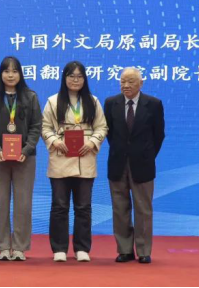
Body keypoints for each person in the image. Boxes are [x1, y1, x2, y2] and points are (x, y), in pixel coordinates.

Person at [41, 61, 108, 262]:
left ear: (85, 79)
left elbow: (102, 127)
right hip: (61, 157)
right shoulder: (53, 101)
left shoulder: (93, 101)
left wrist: (92, 142)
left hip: (84, 156)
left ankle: (82, 248)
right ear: (64, 78)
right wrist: (55, 141)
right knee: (59, 206)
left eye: (80, 76)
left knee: (83, 207)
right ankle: (59, 248)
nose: (75, 80)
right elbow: (45, 128)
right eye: (71, 76)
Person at [0, 56, 42, 261]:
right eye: (6, 71)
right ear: (1, 74)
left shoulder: (30, 97)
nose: (10, 75)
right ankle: (3, 247)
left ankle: (20, 247)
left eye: (15, 71)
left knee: (23, 203)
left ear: (20, 74)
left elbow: (36, 126)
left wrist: (27, 149)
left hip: (25, 158)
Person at [105, 67, 165, 264]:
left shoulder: (153, 104)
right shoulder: (111, 103)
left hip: (143, 164)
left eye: (131, 81)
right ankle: (124, 249)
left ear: (141, 83)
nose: (126, 85)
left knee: (143, 209)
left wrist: (146, 155)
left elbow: (158, 135)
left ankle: (143, 250)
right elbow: (110, 134)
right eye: (122, 81)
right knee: (119, 208)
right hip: (118, 163)